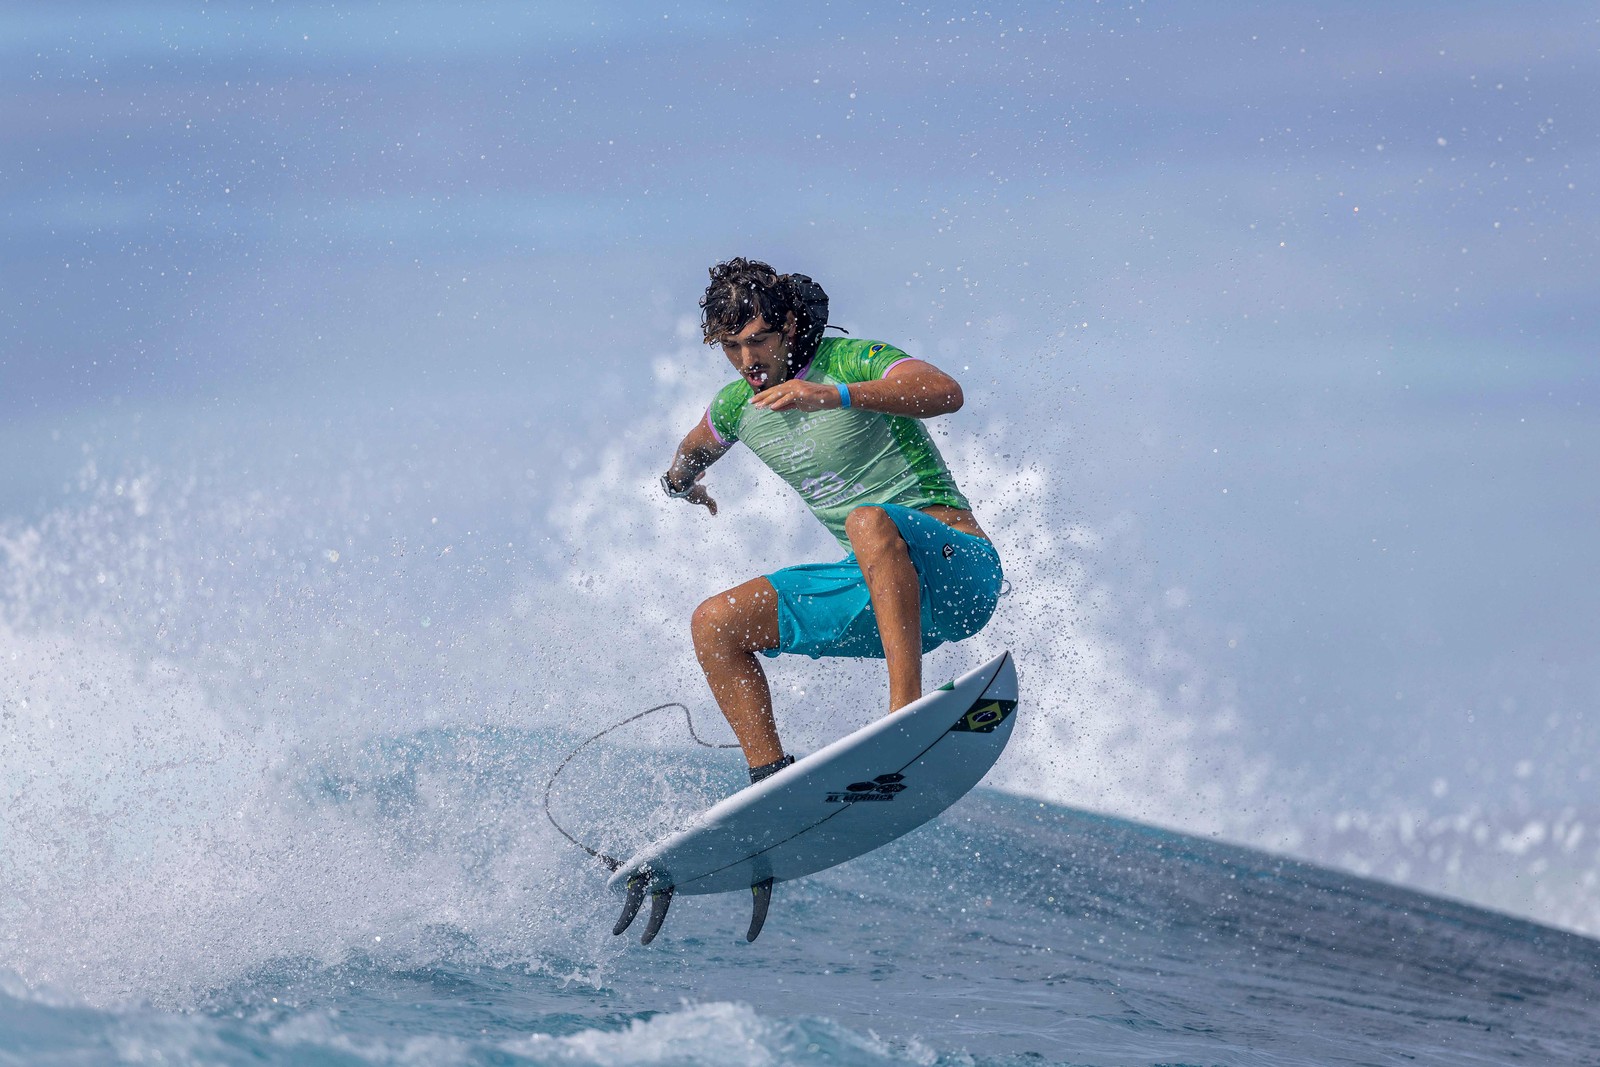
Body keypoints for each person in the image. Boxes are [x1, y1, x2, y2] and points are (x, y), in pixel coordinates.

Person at [660, 258, 1002, 784]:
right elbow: (692, 449)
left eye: (759, 340)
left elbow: (945, 392)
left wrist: (835, 395)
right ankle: (770, 781)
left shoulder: (849, 361)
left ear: (790, 326)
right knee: (714, 623)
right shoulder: (736, 406)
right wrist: (680, 484)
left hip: (961, 571)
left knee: (869, 522)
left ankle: (903, 720)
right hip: (881, 594)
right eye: (731, 347)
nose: (747, 360)